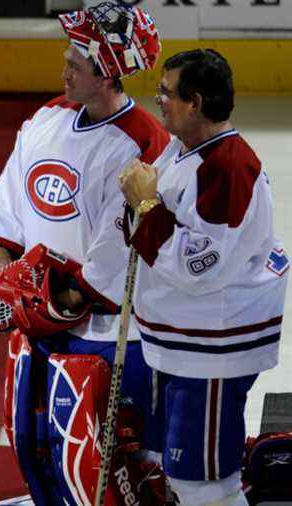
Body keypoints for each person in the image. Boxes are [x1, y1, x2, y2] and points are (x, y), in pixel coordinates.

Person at [0, 2, 170, 503]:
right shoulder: (46, 118)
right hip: (37, 319)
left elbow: (121, 241)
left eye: (75, 66)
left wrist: (66, 298)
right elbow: (10, 193)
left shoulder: (145, 142)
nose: (64, 71)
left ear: (106, 76)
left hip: (106, 331)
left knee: (112, 460)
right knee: (35, 442)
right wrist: (1, 266)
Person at [119, 49, 289, 506]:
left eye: (166, 93)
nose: (158, 100)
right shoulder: (185, 148)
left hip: (211, 353)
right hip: (185, 347)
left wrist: (146, 206)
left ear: (194, 102)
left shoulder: (228, 169)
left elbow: (200, 269)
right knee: (181, 474)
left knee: (206, 485)